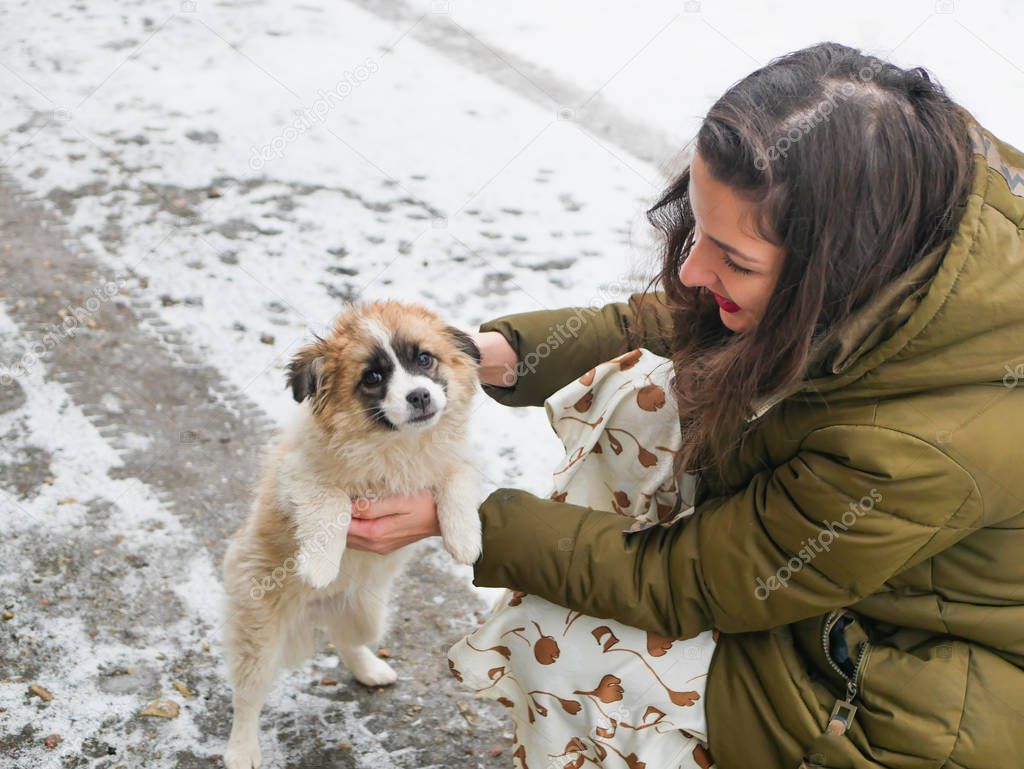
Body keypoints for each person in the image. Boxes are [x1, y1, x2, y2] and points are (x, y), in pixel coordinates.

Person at [348, 42, 1024, 768]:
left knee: (573, 650)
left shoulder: (918, 447)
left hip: (915, 695)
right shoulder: (923, 184)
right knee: (643, 387)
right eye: (699, 228)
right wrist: (506, 352)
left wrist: (466, 518)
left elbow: (689, 579)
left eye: (735, 260)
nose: (696, 268)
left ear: (842, 271)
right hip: (854, 578)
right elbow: (687, 324)